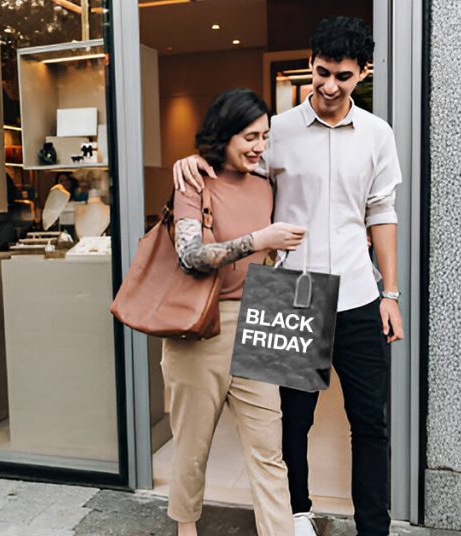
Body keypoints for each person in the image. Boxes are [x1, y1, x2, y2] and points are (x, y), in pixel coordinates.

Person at [173, 17, 405, 536]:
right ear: (310, 64)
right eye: (321, 72)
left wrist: (390, 293)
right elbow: (228, 167)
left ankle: (374, 526)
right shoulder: (274, 131)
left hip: (359, 294)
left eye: (343, 77)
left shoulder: (377, 134)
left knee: (370, 421)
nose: (328, 86)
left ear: (362, 73)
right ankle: (296, 514)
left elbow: (381, 212)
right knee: (290, 422)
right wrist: (191, 160)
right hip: (288, 293)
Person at [163, 88, 306, 536]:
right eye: (249, 136)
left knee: (269, 448)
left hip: (261, 316)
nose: (260, 146)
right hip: (202, 328)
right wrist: (259, 241)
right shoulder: (193, 181)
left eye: (265, 136)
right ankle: (187, 530)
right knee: (192, 445)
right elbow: (190, 255)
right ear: (224, 135)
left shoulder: (266, 184)